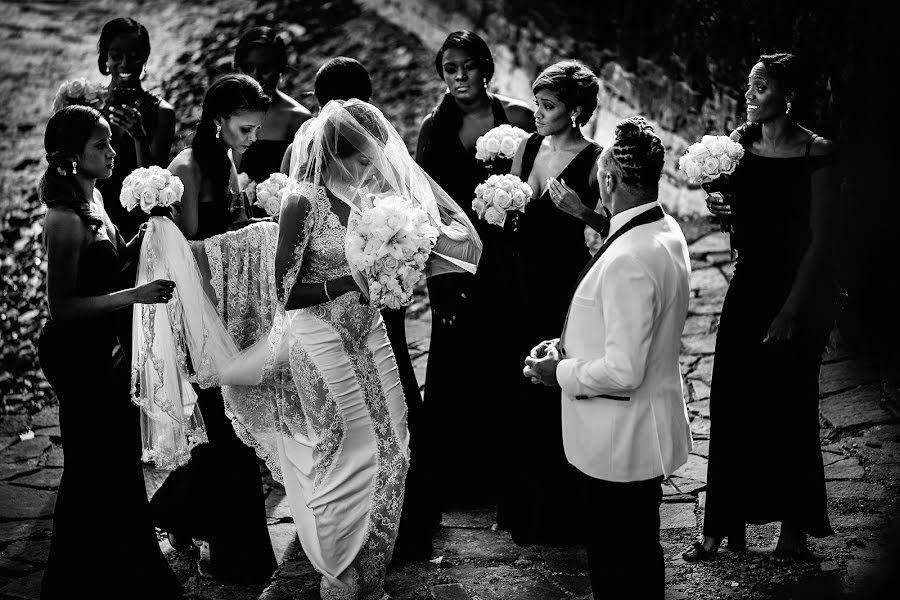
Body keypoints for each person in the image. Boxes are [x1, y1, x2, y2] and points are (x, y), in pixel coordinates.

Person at [218, 99, 481, 599]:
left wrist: (404, 261)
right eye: (362, 159)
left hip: (369, 327)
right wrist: (352, 279)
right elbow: (286, 293)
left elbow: (416, 245)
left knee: (398, 442)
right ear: (336, 153)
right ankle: (339, 573)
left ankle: (371, 569)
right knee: (352, 449)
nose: (372, 167)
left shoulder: (374, 195)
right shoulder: (302, 201)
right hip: (319, 335)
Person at [524, 116, 692, 600]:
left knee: (619, 565)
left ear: (609, 180)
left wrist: (560, 372)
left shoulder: (628, 258)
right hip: (640, 431)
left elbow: (624, 371)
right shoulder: (665, 228)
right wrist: (567, 347)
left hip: (620, 442)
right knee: (639, 554)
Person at [683, 53, 837, 565]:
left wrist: (791, 311)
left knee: (788, 407)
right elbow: (737, 212)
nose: (748, 95)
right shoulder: (739, 145)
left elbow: (820, 241)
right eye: (748, 86)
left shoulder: (816, 153)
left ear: (786, 97)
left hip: (799, 293)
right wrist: (721, 208)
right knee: (731, 399)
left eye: (761, 87)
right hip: (748, 286)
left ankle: (793, 529)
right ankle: (721, 526)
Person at [37, 105, 181, 600]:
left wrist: (145, 237)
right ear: (72, 158)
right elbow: (62, 309)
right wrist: (135, 297)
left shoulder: (95, 198)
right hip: (75, 356)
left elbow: (110, 267)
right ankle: (75, 581)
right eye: (101, 145)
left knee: (117, 462)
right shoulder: (61, 220)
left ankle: (127, 571)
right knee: (91, 465)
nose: (112, 151)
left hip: (107, 348)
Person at [149, 73, 277, 583]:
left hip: (229, 310)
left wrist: (256, 221)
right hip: (198, 316)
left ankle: (179, 514)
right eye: (245, 129)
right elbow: (186, 252)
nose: (252, 139)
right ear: (218, 121)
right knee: (224, 433)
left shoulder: (225, 158)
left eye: (255, 129)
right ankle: (232, 553)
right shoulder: (186, 167)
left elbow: (225, 228)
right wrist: (249, 236)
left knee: (229, 433)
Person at [414, 30, 533, 509]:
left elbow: (538, 182)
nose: (459, 77)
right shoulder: (432, 127)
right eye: (449, 68)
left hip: (510, 254)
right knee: (459, 357)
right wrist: (437, 268)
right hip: (458, 261)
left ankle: (512, 469)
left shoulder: (519, 117)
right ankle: (463, 478)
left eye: (467, 66)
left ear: (485, 66)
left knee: (508, 351)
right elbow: (423, 201)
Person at [498, 60, 608, 545]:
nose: (538, 114)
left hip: (564, 289)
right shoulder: (529, 147)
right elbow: (512, 216)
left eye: (548, 106)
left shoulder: (597, 159)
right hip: (521, 285)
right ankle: (523, 507)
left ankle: (565, 511)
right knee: (520, 392)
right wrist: (498, 206)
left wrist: (579, 210)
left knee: (559, 392)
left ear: (576, 109)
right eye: (537, 104)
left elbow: (612, 231)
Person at [95, 17, 176, 241]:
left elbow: (154, 183)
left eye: (134, 56)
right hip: (96, 219)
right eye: (116, 55)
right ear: (105, 58)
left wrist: (139, 138)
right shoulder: (90, 107)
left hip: (138, 224)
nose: (124, 64)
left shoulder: (161, 112)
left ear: (145, 58)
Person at [233, 26, 311, 185]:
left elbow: (304, 181)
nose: (255, 75)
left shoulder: (297, 118)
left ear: (280, 68)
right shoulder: (226, 111)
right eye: (248, 67)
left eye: (265, 68)